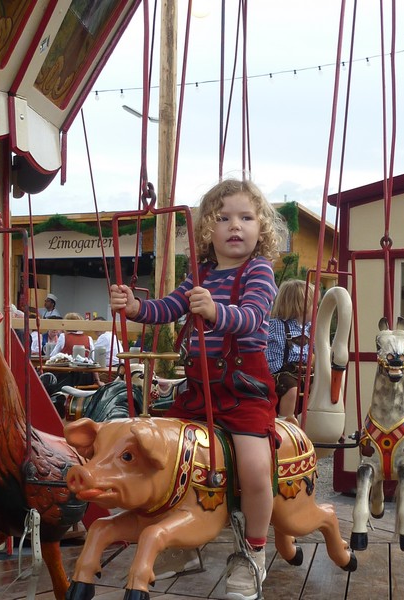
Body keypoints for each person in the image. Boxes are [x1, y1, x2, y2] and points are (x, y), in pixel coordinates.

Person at [111, 178, 284, 600]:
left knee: (256, 469)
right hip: (199, 387)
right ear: (208, 230)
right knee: (165, 458)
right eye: (223, 218)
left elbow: (253, 316)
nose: (235, 226)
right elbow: (168, 307)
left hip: (244, 387)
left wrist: (215, 310)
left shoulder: (257, 271)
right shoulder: (200, 275)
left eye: (246, 217)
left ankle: (253, 552)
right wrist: (135, 307)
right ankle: (181, 544)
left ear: (261, 227)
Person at [265, 279, 315, 422]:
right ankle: (285, 420)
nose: (316, 308)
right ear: (300, 306)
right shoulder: (275, 325)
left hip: (303, 371)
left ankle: (312, 417)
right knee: (291, 389)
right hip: (281, 372)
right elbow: (261, 342)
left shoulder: (309, 328)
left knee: (320, 386)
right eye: (314, 304)